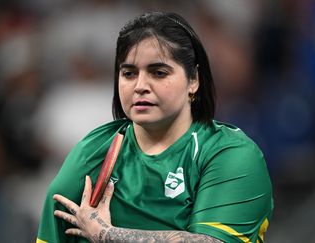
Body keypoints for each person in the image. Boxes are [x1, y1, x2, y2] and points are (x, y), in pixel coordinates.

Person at [36, 12, 273, 243]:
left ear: (194, 80)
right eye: (129, 73)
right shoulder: (93, 152)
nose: (140, 86)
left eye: (158, 73)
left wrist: (106, 234)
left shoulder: (230, 153)